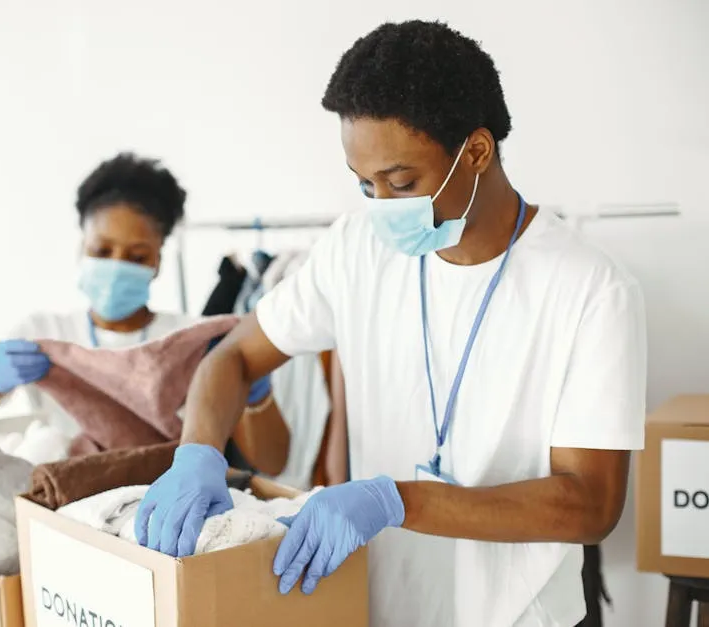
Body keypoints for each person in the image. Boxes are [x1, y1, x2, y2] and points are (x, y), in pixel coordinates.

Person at [132, 21, 646, 627]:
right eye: (364, 185)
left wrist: (396, 500)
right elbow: (233, 356)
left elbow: (589, 504)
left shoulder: (592, 290)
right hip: (374, 607)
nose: (381, 205)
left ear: (476, 152)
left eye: (401, 183)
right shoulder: (356, 249)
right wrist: (197, 452)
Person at [0, 152, 289, 475]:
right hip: (68, 504)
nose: (116, 266)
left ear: (157, 261)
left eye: (137, 257)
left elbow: (275, 463)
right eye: (101, 250)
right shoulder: (43, 332)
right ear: (81, 248)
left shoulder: (192, 342)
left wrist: (255, 392)